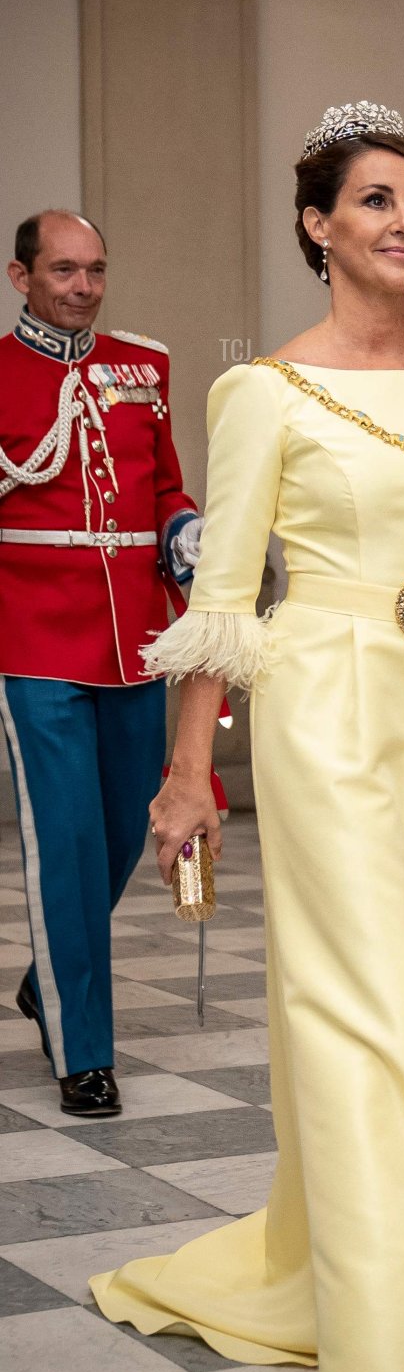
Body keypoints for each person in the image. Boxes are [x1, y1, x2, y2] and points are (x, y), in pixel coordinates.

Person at [90, 102, 404, 1372]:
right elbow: (225, 602)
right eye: (374, 200)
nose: (403, 221)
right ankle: (399, 1325)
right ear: (318, 224)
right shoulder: (263, 392)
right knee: (347, 1007)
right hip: (321, 708)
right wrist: (191, 772)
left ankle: (319, 1262)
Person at [1, 209, 202, 1117]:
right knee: (68, 842)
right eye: (64, 270)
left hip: (133, 642)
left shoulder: (143, 366)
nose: (82, 287)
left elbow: (164, 484)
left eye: (95, 270)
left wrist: (186, 529)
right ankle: (84, 1049)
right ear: (22, 277)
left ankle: (50, 976)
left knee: (132, 825)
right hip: (33, 636)